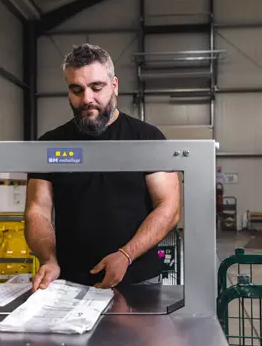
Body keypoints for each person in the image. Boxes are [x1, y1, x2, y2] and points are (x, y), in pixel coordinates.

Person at [24, 43, 180, 291]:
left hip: (138, 281)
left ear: (114, 85)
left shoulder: (146, 138)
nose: (87, 99)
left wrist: (126, 255)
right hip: (68, 282)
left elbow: (169, 207)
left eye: (97, 88)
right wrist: (48, 259)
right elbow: (37, 211)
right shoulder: (51, 144)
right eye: (77, 90)